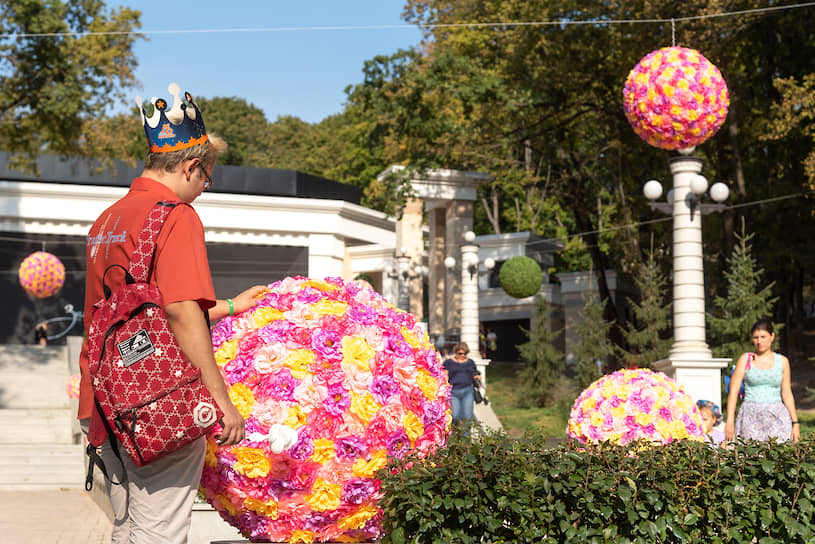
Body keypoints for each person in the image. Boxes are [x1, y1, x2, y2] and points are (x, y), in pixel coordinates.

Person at [76, 83, 265, 544]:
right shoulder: (174, 215)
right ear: (190, 166)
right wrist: (219, 399)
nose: (204, 190)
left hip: (103, 400)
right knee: (159, 531)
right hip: (159, 404)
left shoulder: (110, 217)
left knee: (127, 527)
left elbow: (141, 305)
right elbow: (181, 312)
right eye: (206, 179)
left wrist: (232, 306)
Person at [725, 318, 800, 443]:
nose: (759, 341)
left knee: (777, 457)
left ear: (772, 336)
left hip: (777, 417)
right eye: (755, 337)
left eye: (763, 337)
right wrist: (729, 421)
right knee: (751, 458)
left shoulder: (782, 362)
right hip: (750, 417)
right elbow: (733, 392)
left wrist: (795, 423)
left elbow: (787, 394)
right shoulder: (745, 360)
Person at [443, 342, 481, 432]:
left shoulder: (470, 362)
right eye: (460, 353)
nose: (463, 355)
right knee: (455, 415)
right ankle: (456, 432)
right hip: (454, 392)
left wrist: (477, 377)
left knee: (467, 417)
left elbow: (475, 373)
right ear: (456, 352)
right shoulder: (449, 362)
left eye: (465, 353)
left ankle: (465, 440)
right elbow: (444, 375)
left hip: (467, 391)